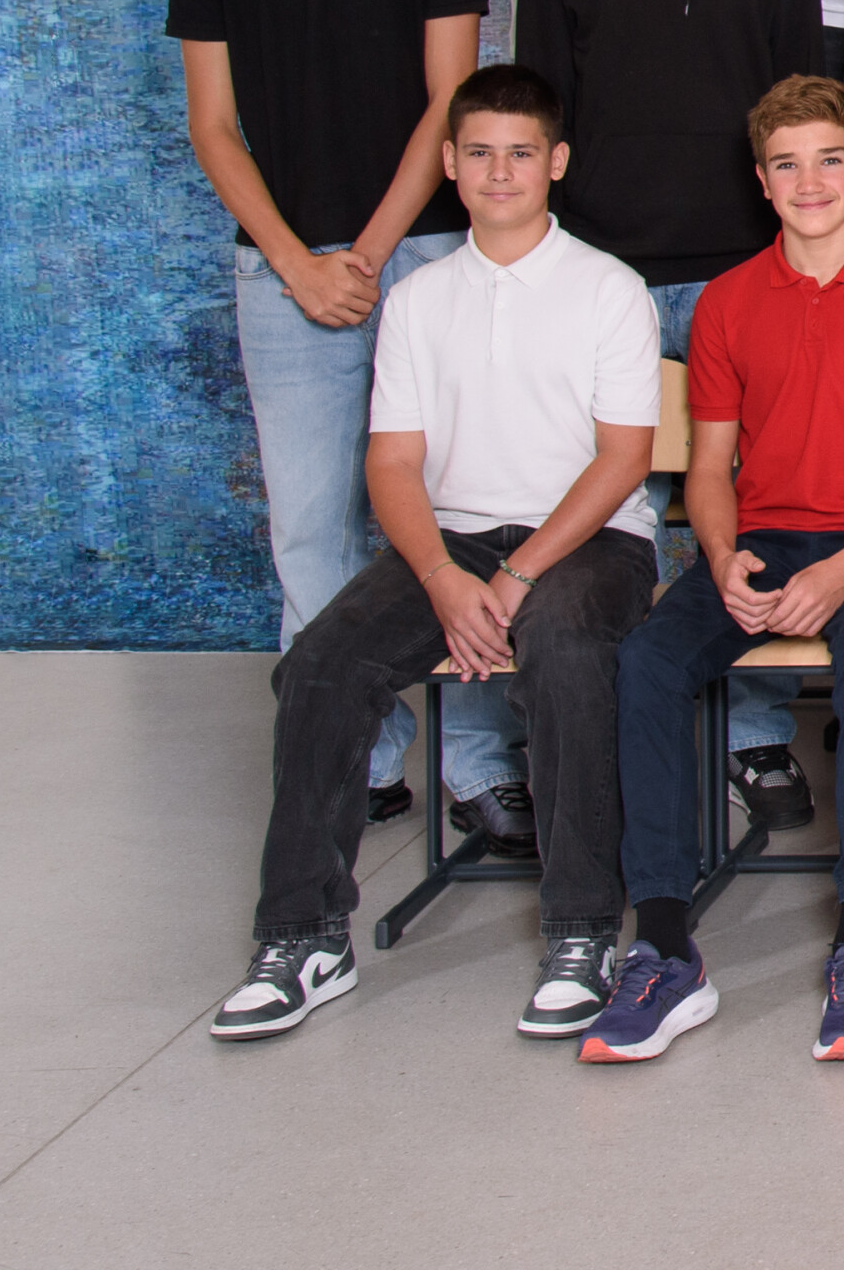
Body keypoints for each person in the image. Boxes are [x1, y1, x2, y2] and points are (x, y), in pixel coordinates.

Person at [210, 64, 661, 1043]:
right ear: (449, 163)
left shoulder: (608, 289)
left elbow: (625, 458)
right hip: (451, 540)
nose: (500, 172)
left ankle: (583, 931)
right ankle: (303, 939)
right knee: (321, 664)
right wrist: (443, 579)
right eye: (481, 153)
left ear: (556, 163)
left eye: (521, 153)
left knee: (564, 650)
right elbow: (393, 462)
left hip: (588, 539)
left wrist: (516, 574)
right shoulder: (417, 300)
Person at [171, 0, 501, 833]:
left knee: (462, 507)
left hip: (425, 251)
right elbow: (213, 126)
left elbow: (451, 98)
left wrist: (363, 250)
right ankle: (354, 753)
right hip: (282, 268)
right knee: (313, 523)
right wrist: (298, 262)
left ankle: (480, 756)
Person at [586, 78, 844, 1063]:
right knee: (646, 662)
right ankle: (665, 945)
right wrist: (720, 557)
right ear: (761, 181)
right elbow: (709, 468)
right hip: (761, 540)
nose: (811, 182)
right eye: (787, 165)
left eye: (830, 159)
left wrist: (843, 572)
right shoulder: (729, 301)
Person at [514, 0, 822, 832]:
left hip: (742, 269)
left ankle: (753, 730)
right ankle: (594, 715)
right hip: (603, 272)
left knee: (752, 497)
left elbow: (802, 114)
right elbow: (539, 119)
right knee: (600, 502)